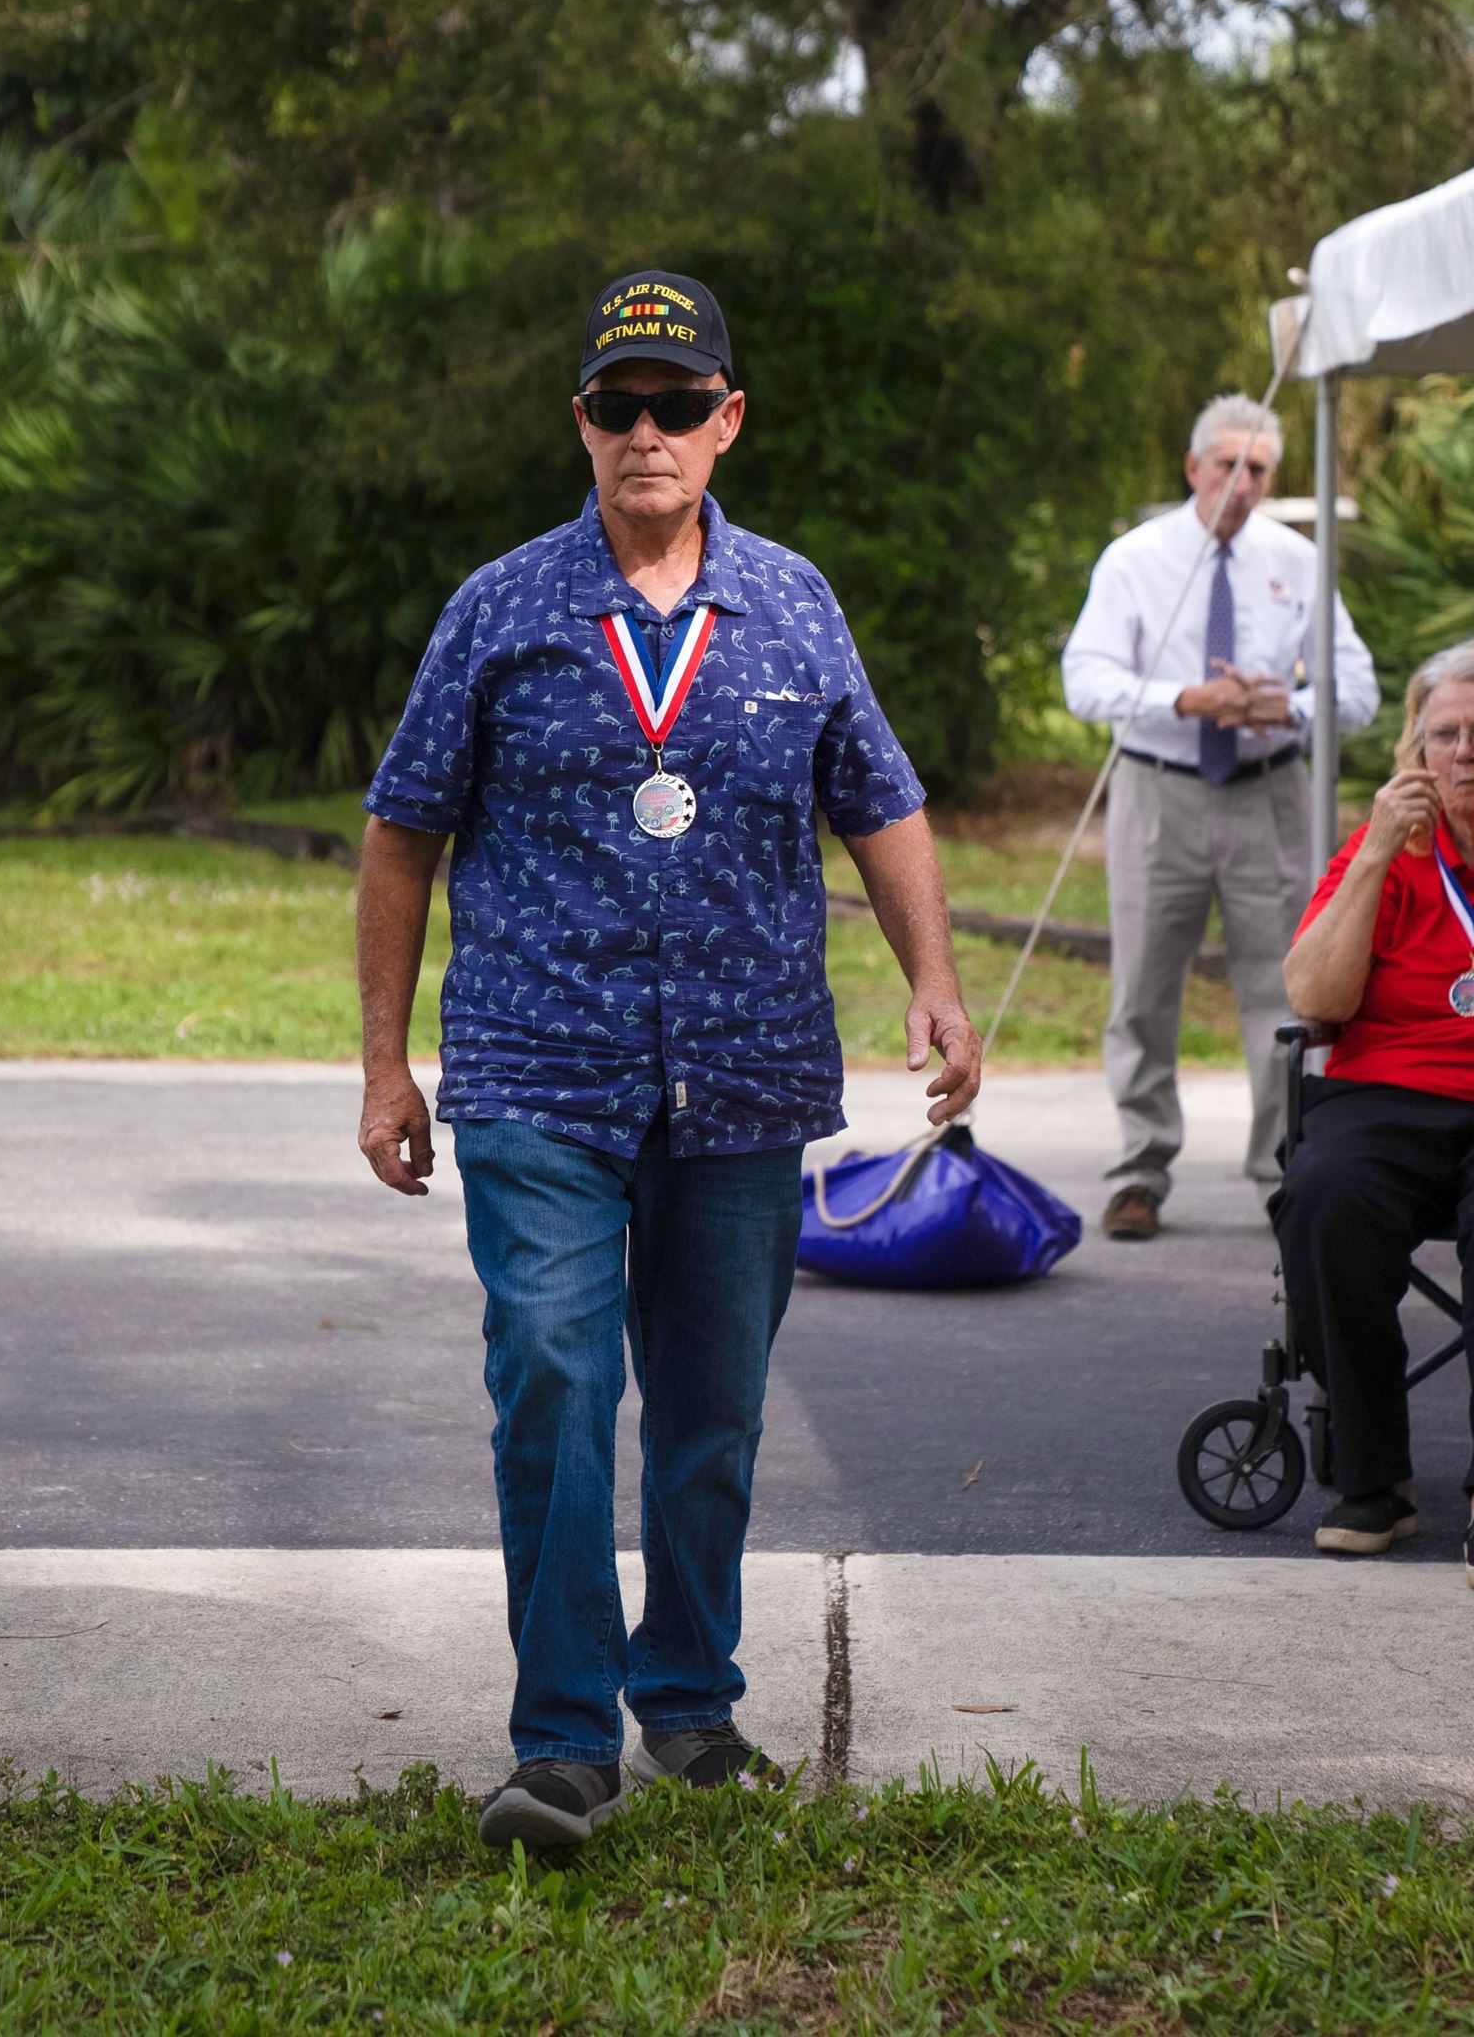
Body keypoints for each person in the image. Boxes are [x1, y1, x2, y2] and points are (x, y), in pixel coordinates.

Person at [355, 269, 982, 1848]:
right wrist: (383, 1066)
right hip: (535, 1073)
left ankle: (688, 1703)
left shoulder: (796, 603)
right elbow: (401, 836)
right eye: (619, 405)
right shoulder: (496, 608)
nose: (649, 431)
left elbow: (880, 800)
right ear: (581, 422)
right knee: (553, 1379)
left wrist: (937, 983)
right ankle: (563, 1739)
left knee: (711, 1405)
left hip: (746, 1077)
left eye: (678, 405)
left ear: (727, 423)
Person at [1062, 392, 1378, 1237]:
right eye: (1226, 465)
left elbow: (1359, 688)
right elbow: (1084, 680)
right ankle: (1139, 1169)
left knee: (1282, 985)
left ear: (1273, 479)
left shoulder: (1297, 559)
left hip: (1269, 789)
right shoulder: (1134, 559)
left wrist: (1295, 709)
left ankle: (1287, 1170)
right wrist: (1185, 697)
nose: (1240, 484)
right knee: (1141, 987)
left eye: (1258, 470)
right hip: (1157, 787)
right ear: (1193, 467)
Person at [1274, 637, 1474, 1577]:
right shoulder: (1383, 854)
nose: (1465, 753)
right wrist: (1370, 856)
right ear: (1414, 750)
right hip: (1382, 1094)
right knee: (1324, 1197)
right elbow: (1314, 1000)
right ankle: (1373, 1474)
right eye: (1444, 734)